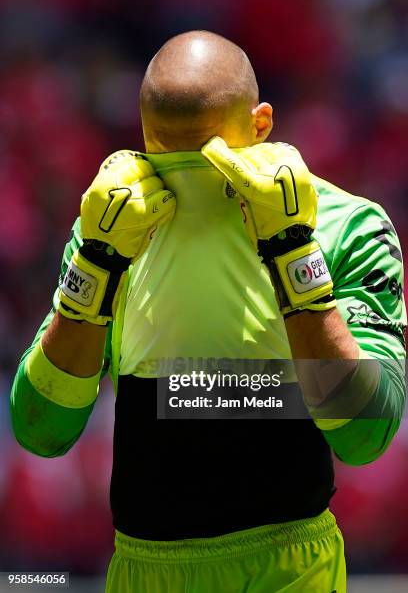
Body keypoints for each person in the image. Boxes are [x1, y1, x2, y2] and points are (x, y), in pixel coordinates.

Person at [11, 31, 406, 592]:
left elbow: (365, 435)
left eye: (210, 160)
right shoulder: (112, 227)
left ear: (261, 126)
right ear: (142, 137)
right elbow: (42, 429)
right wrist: (95, 265)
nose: (189, 180)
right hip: (143, 572)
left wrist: (293, 250)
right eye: (165, 157)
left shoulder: (345, 226)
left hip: (290, 573)